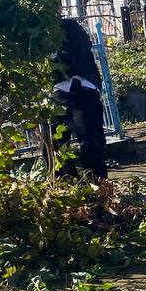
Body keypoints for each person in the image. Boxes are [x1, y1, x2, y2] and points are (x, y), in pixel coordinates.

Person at [52, 17, 108, 181]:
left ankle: (97, 184)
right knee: (54, 141)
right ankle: (66, 182)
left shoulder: (71, 27)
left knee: (91, 139)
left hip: (83, 88)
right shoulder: (37, 33)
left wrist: (56, 57)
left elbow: (79, 54)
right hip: (57, 92)